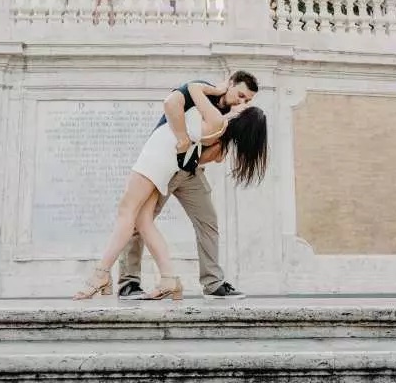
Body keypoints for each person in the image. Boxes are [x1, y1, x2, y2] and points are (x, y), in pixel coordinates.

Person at [73, 80, 269, 301]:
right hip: (168, 161)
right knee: (140, 221)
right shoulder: (212, 103)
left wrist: (204, 144)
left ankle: (210, 283)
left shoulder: (221, 122)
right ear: (231, 83)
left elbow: (204, 151)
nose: (242, 103)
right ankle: (135, 282)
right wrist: (187, 136)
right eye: (241, 96)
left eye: (247, 101)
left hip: (184, 168)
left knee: (147, 216)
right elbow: (172, 102)